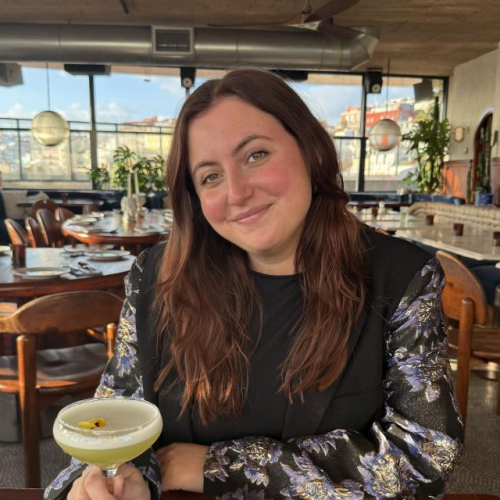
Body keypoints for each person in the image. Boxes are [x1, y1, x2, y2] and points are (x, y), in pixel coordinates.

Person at [45, 68, 463, 500]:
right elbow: (113, 416)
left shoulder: (402, 278)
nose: (237, 192)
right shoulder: (155, 277)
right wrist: (104, 484)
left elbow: (426, 455)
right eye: (210, 176)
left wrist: (219, 466)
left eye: (255, 155)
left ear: (310, 150)